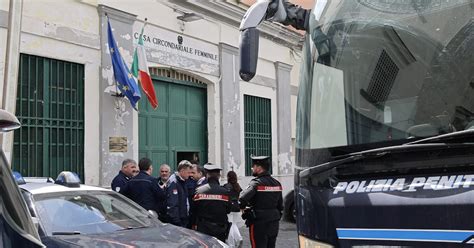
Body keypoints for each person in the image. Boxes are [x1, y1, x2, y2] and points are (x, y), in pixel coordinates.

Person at [239, 156, 283, 248]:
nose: (252, 168)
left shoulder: (256, 183)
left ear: (259, 168)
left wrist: (243, 208)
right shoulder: (277, 184)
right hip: (274, 223)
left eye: (253, 166)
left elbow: (242, 198)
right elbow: (280, 206)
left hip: (259, 223)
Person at [192, 163, 232, 242]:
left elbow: (194, 210)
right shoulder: (225, 192)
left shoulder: (199, 191)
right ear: (219, 176)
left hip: (203, 229)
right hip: (220, 229)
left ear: (207, 175)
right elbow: (228, 210)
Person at [165, 160, 191, 227]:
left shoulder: (183, 181)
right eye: (188, 172)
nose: (190, 174)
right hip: (178, 221)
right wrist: (177, 221)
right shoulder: (174, 182)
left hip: (183, 218)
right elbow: (172, 204)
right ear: (182, 170)